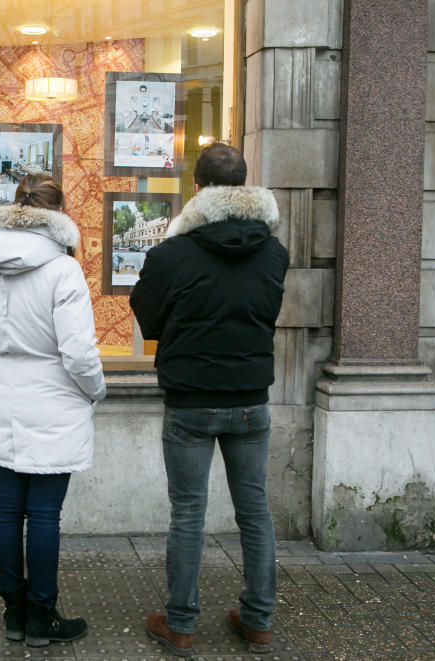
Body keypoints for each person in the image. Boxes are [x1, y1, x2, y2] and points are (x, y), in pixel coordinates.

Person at [129, 143, 288, 657]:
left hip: (190, 401)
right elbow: (265, 316)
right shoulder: (274, 252)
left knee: (189, 514)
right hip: (250, 400)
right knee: (255, 512)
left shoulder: (170, 254)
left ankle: (180, 624)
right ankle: (258, 621)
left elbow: (149, 321)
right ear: (244, 188)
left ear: (196, 189)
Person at [0, 173, 106, 648]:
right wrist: (95, 391)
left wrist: (1, 373)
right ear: (57, 215)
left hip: (8, 392)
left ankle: (14, 614)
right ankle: (42, 615)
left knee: (6, 507)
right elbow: (79, 354)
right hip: (58, 396)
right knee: (44, 514)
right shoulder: (63, 270)